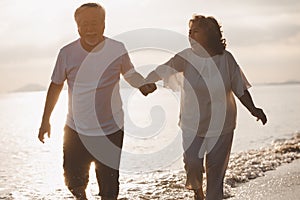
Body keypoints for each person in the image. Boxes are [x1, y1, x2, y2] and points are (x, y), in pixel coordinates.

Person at [38, 3, 156, 200]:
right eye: (85, 24)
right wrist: (45, 120)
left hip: (110, 128)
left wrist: (142, 86)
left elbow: (130, 73)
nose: (90, 29)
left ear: (103, 24)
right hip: (76, 129)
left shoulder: (117, 49)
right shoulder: (67, 53)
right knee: (74, 182)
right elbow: (55, 86)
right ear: (77, 27)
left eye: (94, 23)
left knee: (109, 187)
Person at [145, 15, 267, 200]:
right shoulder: (186, 57)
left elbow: (239, 89)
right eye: (189, 31)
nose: (190, 35)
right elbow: (164, 69)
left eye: (196, 31)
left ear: (210, 34)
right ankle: (197, 191)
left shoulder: (226, 59)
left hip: (222, 124)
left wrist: (253, 109)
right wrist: (146, 82)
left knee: (216, 172)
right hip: (192, 123)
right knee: (192, 163)